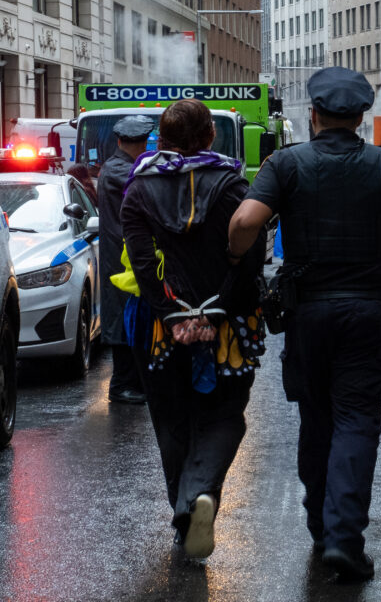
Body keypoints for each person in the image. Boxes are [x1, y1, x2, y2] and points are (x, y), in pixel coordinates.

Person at [227, 68, 381, 581]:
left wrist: (240, 258)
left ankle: (321, 531)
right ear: (362, 118)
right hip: (369, 313)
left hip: (308, 314)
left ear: (315, 114)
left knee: (316, 418)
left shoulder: (286, 163)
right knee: (356, 420)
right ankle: (344, 539)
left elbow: (243, 224)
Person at [121, 100, 267, 560]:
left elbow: (144, 268)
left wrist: (172, 316)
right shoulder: (233, 187)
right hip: (229, 328)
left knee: (170, 419)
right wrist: (217, 311)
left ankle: (185, 519)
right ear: (209, 138)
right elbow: (251, 261)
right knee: (224, 416)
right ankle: (197, 497)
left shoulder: (137, 189)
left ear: (159, 140)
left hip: (161, 331)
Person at [96, 116, 152, 405]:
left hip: (122, 252)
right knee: (122, 317)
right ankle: (121, 384)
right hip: (121, 256)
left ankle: (130, 381)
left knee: (127, 315)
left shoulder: (117, 166)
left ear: (119, 141)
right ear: (142, 143)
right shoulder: (122, 171)